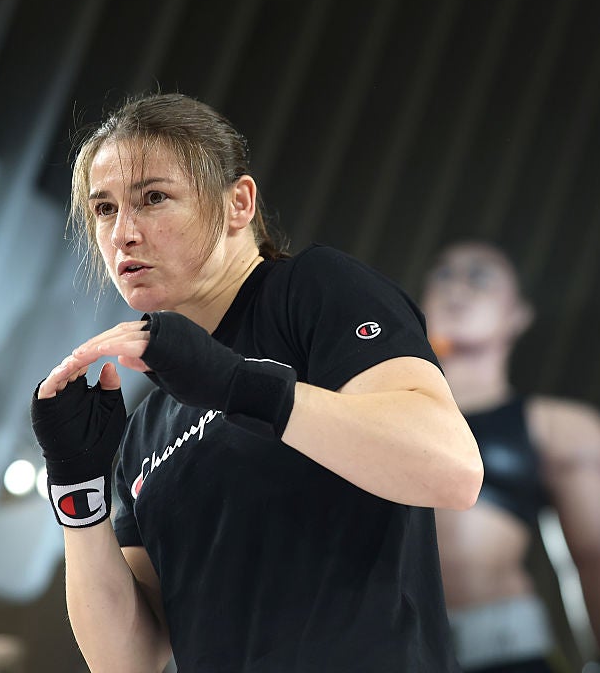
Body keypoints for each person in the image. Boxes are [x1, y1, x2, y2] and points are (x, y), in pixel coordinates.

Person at [29, 93, 484, 673]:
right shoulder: (148, 426)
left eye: (153, 198)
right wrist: (77, 489)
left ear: (238, 203)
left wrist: (237, 383)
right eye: (104, 209)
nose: (123, 234)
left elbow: (452, 469)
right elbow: (128, 661)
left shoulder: (311, 290)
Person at [421, 241, 600, 673]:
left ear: (518, 314)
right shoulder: (363, 407)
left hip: (499, 657)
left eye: (479, 277)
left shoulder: (559, 428)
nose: (457, 287)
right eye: (443, 275)